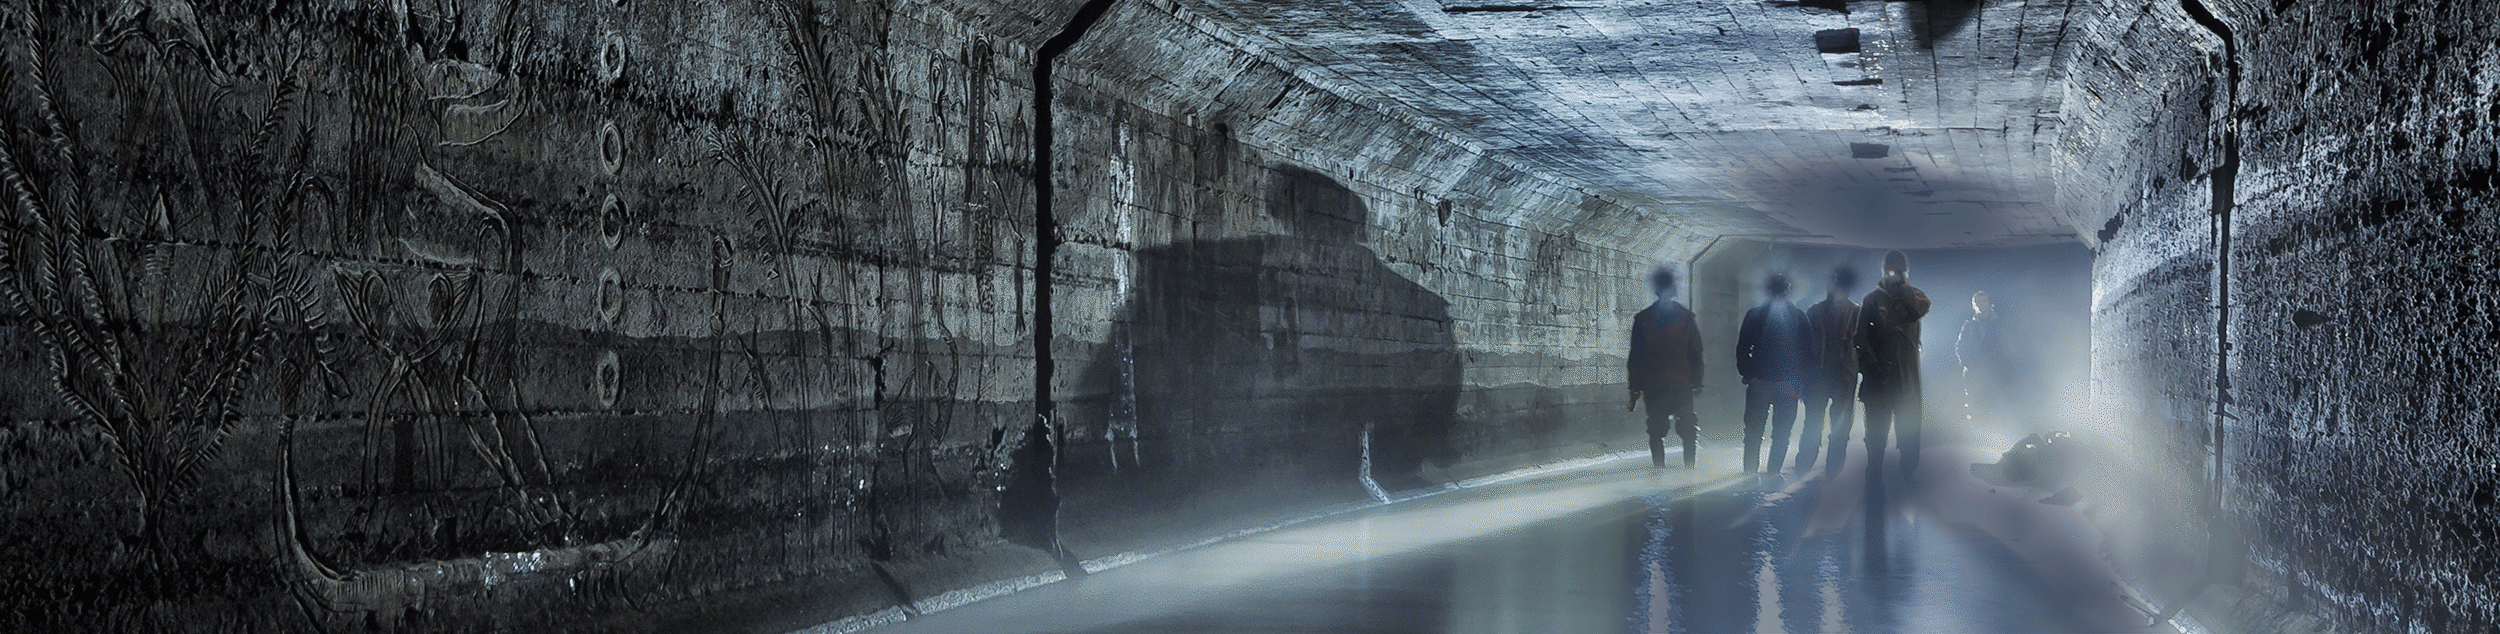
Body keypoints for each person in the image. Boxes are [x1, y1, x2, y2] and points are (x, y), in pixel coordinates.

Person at [1856, 250, 1932, 479]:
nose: (1894, 273)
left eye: (1898, 269)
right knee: (1876, 434)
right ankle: (1874, 470)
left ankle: (1908, 475)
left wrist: (1903, 287)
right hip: (1878, 378)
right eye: (1891, 269)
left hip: (1906, 379)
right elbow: (1860, 338)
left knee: (1908, 432)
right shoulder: (1872, 300)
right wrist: (1870, 367)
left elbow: (1919, 310)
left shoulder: (1916, 297)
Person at [1736, 273, 1814, 474]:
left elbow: (1743, 348)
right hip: (1786, 384)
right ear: (1788, 291)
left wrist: (1749, 374)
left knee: (1754, 432)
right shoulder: (1798, 317)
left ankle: (1750, 474)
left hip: (1763, 381)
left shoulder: (1755, 315)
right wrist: (1801, 383)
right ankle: (1771, 474)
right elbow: (1808, 354)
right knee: (1781, 433)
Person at [1627, 265, 1704, 468]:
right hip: (1681, 383)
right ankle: (1689, 470)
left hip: (1654, 385)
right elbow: (1696, 352)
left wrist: (1634, 388)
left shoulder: (1643, 319)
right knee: (1688, 430)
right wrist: (1697, 382)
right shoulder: (1686, 318)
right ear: (1674, 289)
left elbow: (1636, 356)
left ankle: (1659, 472)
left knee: (1656, 430)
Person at [1802, 266, 1861, 474]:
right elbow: (1804, 346)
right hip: (1827, 375)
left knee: (1833, 426)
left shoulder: (1855, 313)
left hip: (1840, 376)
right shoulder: (1816, 312)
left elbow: (1864, 346)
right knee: (1817, 424)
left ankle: (1823, 469)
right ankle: (1810, 467)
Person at [1957, 290, 2008, 425]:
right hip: (1975, 374)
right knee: (1976, 407)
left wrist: (2001, 366)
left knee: (1997, 406)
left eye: (1983, 301)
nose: (1981, 304)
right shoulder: (1969, 326)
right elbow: (1960, 348)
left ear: (1990, 303)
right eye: (1977, 302)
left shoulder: (2000, 324)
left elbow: (2007, 347)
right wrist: (1969, 366)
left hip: (1996, 373)